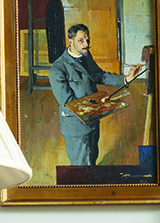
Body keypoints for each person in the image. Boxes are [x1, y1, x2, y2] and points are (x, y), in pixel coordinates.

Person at [48, 23, 139, 166]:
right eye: (81, 41)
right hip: (76, 127)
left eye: (87, 40)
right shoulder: (58, 69)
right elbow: (68, 104)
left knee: (92, 159)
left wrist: (126, 79)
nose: (86, 44)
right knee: (81, 167)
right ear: (70, 41)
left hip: (92, 121)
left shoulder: (85, 55)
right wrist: (97, 103)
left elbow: (100, 75)